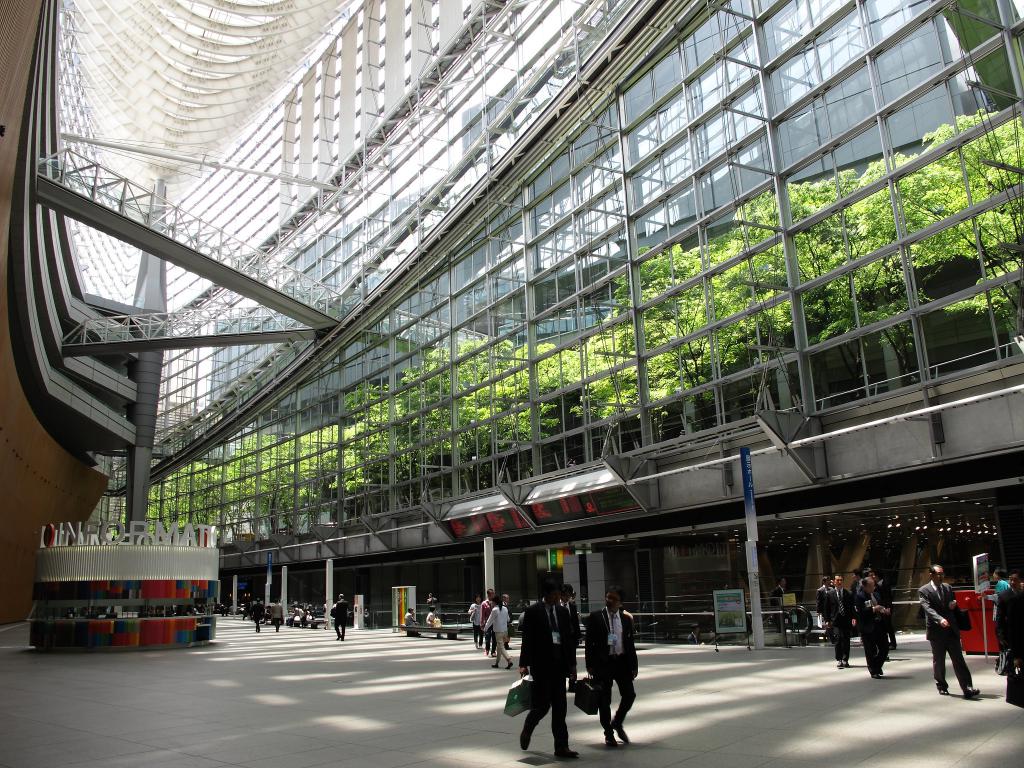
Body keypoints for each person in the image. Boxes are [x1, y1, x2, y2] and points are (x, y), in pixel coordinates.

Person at [518, 579, 579, 759]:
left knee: (560, 708)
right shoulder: (533, 612)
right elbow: (527, 639)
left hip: (559, 666)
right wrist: (523, 664)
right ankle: (528, 726)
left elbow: (567, 640)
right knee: (542, 706)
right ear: (545, 594)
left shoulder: (562, 612)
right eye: (554, 594)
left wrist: (572, 665)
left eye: (559, 594)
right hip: (541, 666)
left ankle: (562, 746)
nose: (557, 597)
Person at [585, 585, 638, 747]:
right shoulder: (596, 617)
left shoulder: (626, 619)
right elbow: (589, 643)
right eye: (608, 597)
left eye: (614, 598)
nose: (609, 601)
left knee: (629, 695)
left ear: (620, 602)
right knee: (604, 700)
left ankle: (617, 722)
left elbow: (630, 643)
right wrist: (589, 664)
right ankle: (608, 733)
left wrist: (634, 665)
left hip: (622, 662)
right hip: (603, 663)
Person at [919, 564, 979, 698]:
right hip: (936, 631)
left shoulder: (948, 588)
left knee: (959, 660)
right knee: (939, 661)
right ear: (931, 575)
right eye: (938, 574)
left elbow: (952, 605)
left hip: (951, 630)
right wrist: (939, 619)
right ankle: (941, 685)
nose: (941, 577)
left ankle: (967, 687)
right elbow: (927, 608)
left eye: (942, 574)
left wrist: (953, 605)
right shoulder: (924, 590)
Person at [855, 576, 889, 679]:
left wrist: (884, 610)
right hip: (868, 627)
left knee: (885, 647)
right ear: (865, 586)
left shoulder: (876, 594)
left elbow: (882, 605)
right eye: (870, 586)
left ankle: (877, 666)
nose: (873, 587)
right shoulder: (860, 597)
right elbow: (862, 611)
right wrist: (874, 609)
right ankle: (873, 670)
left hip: (879, 625)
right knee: (870, 651)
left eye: (873, 585)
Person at [822, 574, 854, 668]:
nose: (839, 582)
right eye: (837, 580)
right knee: (838, 639)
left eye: (841, 580)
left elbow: (851, 607)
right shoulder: (830, 594)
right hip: (835, 620)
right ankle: (839, 659)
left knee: (846, 640)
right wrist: (827, 620)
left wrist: (854, 618)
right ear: (834, 582)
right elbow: (826, 608)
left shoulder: (848, 593)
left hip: (846, 620)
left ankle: (845, 659)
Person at [994, 570, 1021, 675]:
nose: (1012, 582)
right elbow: (999, 617)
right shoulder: (1004, 595)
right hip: (1010, 634)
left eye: (1015, 580)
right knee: (1011, 667)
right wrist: (1000, 635)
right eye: (1010, 580)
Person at [869, 567, 896, 652]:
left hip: (886, 607)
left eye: (873, 575)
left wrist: (888, 608)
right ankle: (887, 643)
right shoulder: (877, 585)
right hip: (881, 608)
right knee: (884, 626)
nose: (872, 577)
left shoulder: (884, 584)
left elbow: (888, 597)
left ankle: (893, 643)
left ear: (877, 575)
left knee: (888, 626)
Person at [484, 594, 513, 669]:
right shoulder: (505, 608)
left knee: (501, 647)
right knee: (499, 647)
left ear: (494, 602)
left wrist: (485, 629)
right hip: (505, 631)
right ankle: (497, 663)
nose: (491, 603)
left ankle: (509, 660)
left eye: (492, 602)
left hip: (498, 631)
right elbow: (508, 619)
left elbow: (489, 621)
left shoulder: (495, 610)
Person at [481, 588, 496, 657]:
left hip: (495, 623)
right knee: (487, 637)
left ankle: (493, 651)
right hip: (487, 623)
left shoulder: (495, 602)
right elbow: (482, 615)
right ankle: (487, 649)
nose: (493, 595)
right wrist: (482, 624)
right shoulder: (484, 603)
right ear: (488, 595)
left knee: (494, 638)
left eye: (493, 594)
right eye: (491, 594)